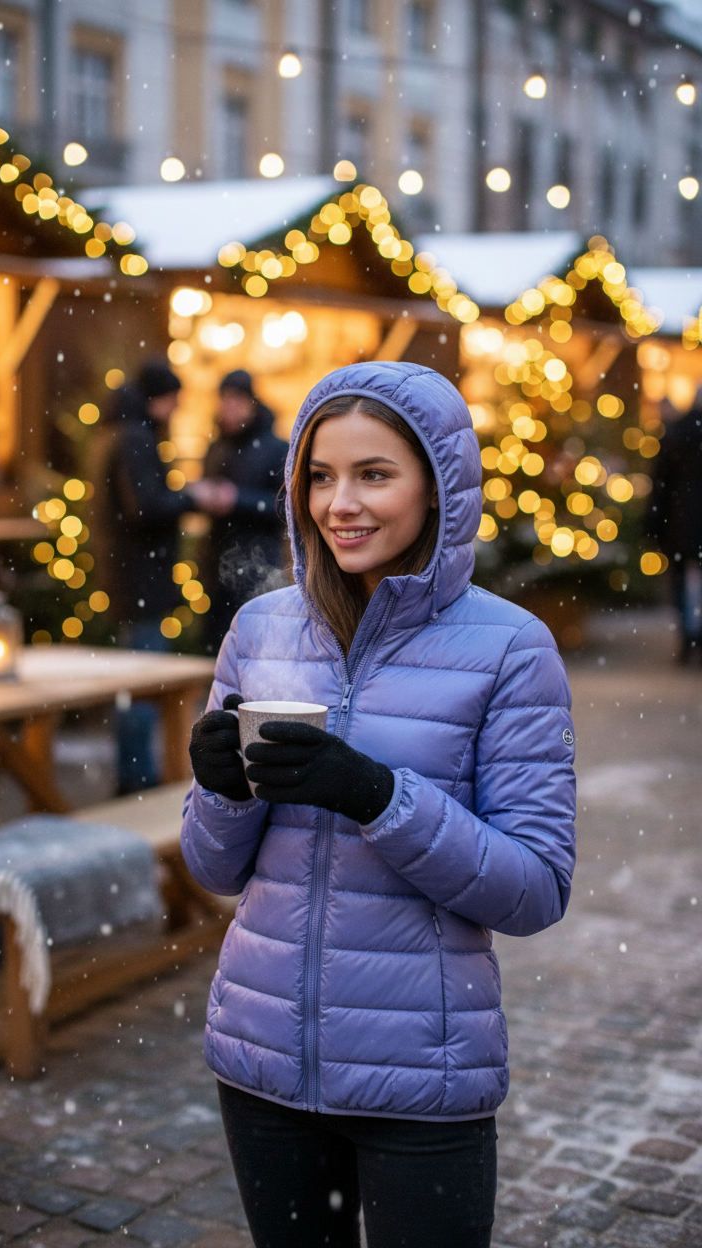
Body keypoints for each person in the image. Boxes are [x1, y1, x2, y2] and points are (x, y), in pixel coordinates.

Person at [181, 362, 576, 1248]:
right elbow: (212, 870)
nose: (339, 504)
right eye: (320, 476)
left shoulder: (512, 648)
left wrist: (377, 795)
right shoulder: (262, 629)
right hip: (263, 1061)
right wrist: (221, 788)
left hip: (423, 1080)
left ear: (438, 491)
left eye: (374, 474)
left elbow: (535, 889)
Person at [92, 360, 198, 792]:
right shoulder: (135, 437)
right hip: (141, 579)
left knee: (133, 684)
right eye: (173, 399)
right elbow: (145, 506)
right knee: (145, 684)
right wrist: (191, 497)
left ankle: (132, 774)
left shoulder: (113, 432)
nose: (175, 409)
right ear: (159, 397)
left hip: (125, 576)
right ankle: (138, 779)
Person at [196, 370, 288, 654]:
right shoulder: (216, 446)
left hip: (259, 567)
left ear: (252, 404)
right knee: (218, 653)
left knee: (256, 652)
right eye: (224, 399)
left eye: (237, 400)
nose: (230, 407)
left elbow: (286, 506)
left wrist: (237, 499)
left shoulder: (277, 448)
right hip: (215, 567)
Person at [646, 397, 702, 663]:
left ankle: (687, 637)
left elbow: (661, 484)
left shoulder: (675, 434)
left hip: (680, 523)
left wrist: (654, 523)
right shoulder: (676, 435)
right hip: (684, 520)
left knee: (680, 581)